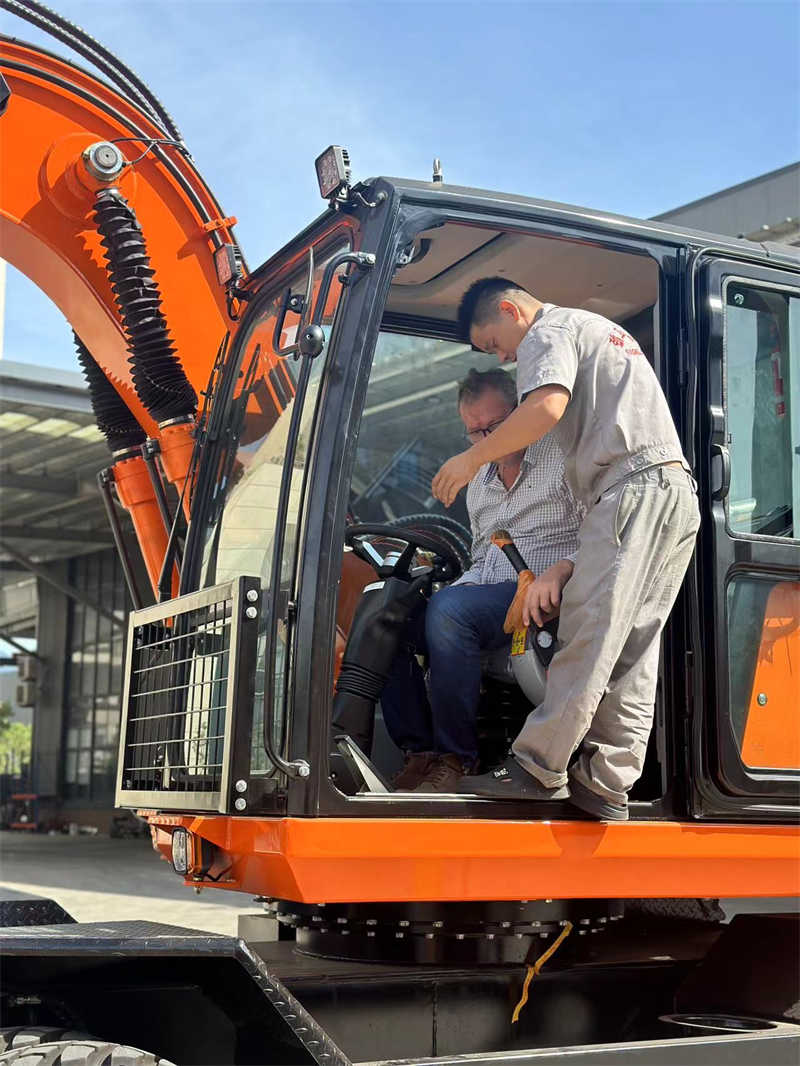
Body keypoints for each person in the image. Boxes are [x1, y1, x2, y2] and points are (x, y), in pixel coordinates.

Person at [432, 278, 700, 820]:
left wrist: (469, 460)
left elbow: (547, 407)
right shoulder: (598, 330)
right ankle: (604, 784)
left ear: (510, 310)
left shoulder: (548, 330)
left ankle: (536, 766)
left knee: (587, 630)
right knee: (631, 650)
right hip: (673, 492)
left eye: (493, 343)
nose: (504, 356)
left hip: (628, 488)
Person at [383, 367, 583, 792]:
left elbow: (603, 536)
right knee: (389, 618)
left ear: (522, 411)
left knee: (451, 613)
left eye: (495, 427)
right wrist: (444, 592)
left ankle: (458, 760)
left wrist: (564, 570)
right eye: (474, 433)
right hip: (493, 599)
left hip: (551, 597)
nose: (485, 441)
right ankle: (420, 753)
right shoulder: (480, 485)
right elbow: (483, 559)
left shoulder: (564, 458)